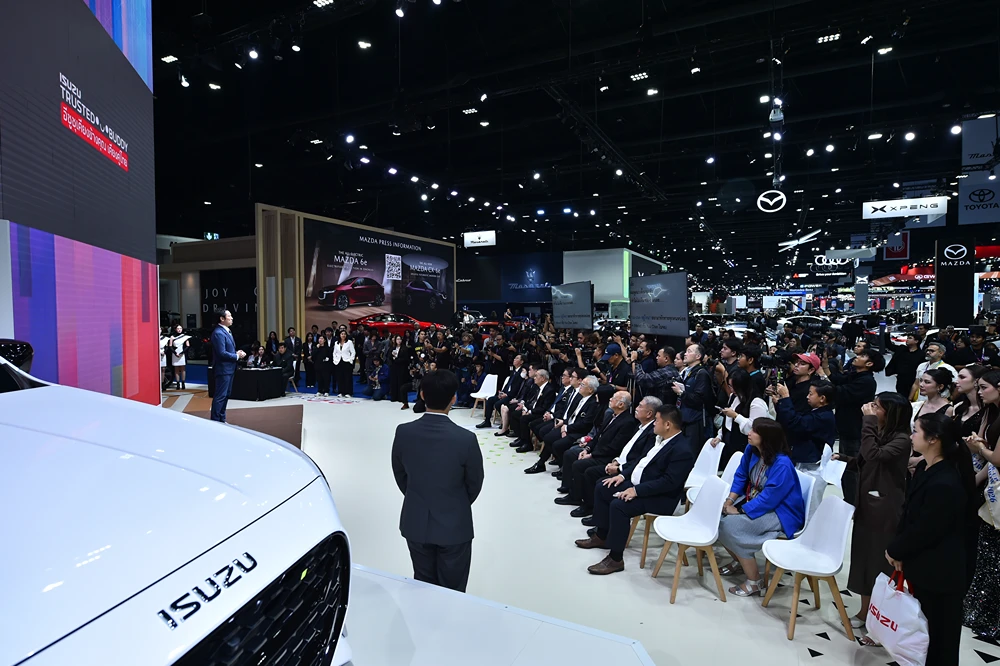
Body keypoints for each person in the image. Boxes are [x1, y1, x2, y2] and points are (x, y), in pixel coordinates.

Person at [887, 414, 974, 665]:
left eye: (915, 431)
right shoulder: (926, 468)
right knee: (921, 636)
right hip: (924, 564)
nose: (911, 436)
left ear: (933, 439)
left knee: (939, 640)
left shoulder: (946, 481)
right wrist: (899, 550)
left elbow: (926, 528)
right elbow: (910, 515)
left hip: (940, 573)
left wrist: (896, 550)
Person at [391, 370, 485, 593]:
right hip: (454, 524)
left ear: (422, 395)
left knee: (423, 583)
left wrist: (419, 495)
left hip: (415, 519)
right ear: (453, 398)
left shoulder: (404, 432)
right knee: (453, 589)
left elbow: (400, 474)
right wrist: (455, 503)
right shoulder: (466, 439)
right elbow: (474, 482)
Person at [575, 404, 694, 575]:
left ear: (667, 424)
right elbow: (641, 462)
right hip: (641, 484)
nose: (654, 423)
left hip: (661, 498)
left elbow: (668, 483)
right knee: (603, 486)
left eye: (657, 420)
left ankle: (616, 559)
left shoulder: (682, 450)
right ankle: (602, 536)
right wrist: (622, 476)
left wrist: (636, 491)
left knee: (619, 506)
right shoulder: (660, 439)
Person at [832, 392, 913, 641]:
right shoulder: (881, 432)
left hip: (885, 510)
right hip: (867, 506)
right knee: (864, 560)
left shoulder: (902, 440)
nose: (869, 408)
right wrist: (844, 459)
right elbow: (865, 459)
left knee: (879, 564)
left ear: (890, 413)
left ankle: (881, 621)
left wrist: (867, 422)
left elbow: (875, 455)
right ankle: (865, 610)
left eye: (876, 407)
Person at [716, 418, 805, 597]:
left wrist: (740, 510)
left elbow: (771, 497)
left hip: (781, 511)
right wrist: (730, 500)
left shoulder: (782, 464)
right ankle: (740, 560)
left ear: (767, 438)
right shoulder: (752, 450)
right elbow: (741, 475)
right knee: (717, 518)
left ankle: (754, 582)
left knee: (732, 527)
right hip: (755, 499)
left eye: (755, 431)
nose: (749, 433)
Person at [576, 396, 662, 519]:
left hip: (629, 470)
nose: (636, 408)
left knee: (598, 480)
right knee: (589, 471)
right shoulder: (640, 426)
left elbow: (640, 458)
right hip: (619, 462)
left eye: (640, 406)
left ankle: (598, 517)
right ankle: (592, 509)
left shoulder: (651, 433)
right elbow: (626, 449)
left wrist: (620, 469)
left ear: (649, 413)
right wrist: (616, 461)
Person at [818, 347, 881, 505]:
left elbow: (840, 392)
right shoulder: (855, 375)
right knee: (845, 466)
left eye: (862, 355)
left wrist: (822, 376)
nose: (857, 356)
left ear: (869, 364)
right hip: (846, 427)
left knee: (853, 468)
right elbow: (838, 379)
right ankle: (849, 499)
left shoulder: (867, 381)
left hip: (855, 429)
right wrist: (825, 365)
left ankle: (854, 503)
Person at [964, 369, 1000, 637]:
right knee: (986, 554)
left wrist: (980, 449)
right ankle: (979, 611)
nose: (980, 392)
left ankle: (988, 616)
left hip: (996, 490)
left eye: (984, 387)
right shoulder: (992, 412)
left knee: (993, 556)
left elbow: (996, 458)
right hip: (989, 485)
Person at [554, 391, 637, 502]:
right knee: (571, 454)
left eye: (613, 398)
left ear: (621, 404)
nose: (610, 399)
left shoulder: (628, 422)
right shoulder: (611, 415)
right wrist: (587, 449)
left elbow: (615, 447)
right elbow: (598, 436)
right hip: (598, 450)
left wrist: (592, 455)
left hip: (607, 456)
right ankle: (569, 487)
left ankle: (577, 497)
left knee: (579, 465)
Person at [529, 374, 601, 470]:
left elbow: (585, 424)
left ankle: (563, 466)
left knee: (557, 445)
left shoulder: (593, 403)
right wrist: (564, 423)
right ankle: (542, 463)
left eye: (583, 385)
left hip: (579, 431)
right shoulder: (581, 398)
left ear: (590, 390)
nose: (580, 386)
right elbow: (572, 416)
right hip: (570, 426)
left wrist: (566, 428)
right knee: (548, 437)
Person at [712, 367, 771, 470]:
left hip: (745, 445)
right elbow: (727, 422)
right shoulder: (734, 397)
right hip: (729, 441)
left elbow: (755, 429)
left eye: (734, 386)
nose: (731, 389)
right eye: (730, 386)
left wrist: (736, 416)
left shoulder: (757, 403)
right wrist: (720, 435)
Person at [774, 381, 836, 468]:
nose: (807, 397)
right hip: (805, 458)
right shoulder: (817, 411)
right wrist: (780, 403)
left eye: (811, 394)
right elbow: (793, 419)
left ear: (822, 398)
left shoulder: (823, 417)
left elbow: (795, 423)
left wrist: (786, 397)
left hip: (811, 465)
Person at [673, 343, 715, 447]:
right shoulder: (686, 372)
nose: (685, 354)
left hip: (695, 421)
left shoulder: (701, 373)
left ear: (698, 356)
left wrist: (681, 392)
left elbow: (699, 400)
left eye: (689, 351)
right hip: (683, 418)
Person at [210, 309, 245, 422]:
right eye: (229, 316)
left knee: (226, 395)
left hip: (229, 369)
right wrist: (236, 356)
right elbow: (221, 353)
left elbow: (227, 350)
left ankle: (221, 418)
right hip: (223, 369)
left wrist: (236, 353)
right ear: (222, 318)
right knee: (220, 396)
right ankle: (216, 420)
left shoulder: (226, 331)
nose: (232, 318)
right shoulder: (218, 333)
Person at [477, 354, 526, 429]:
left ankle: (505, 421)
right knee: (490, 400)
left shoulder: (522, 372)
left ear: (521, 361)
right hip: (506, 393)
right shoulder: (513, 371)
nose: (514, 359)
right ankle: (487, 421)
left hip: (513, 396)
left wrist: (507, 394)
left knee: (498, 404)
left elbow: (517, 387)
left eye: (517, 358)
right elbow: (508, 384)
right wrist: (502, 392)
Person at [911, 367, 954, 432]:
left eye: (927, 382)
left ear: (940, 386)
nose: (921, 385)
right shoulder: (916, 405)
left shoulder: (948, 410)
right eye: (921, 380)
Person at [885, 333, 925, 398]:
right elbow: (889, 346)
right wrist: (887, 334)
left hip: (912, 379)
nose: (907, 340)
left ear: (916, 341)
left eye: (910, 338)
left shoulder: (921, 354)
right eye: (907, 338)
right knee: (900, 394)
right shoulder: (902, 349)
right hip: (901, 378)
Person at [388, 334, 413, 409]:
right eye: (397, 339)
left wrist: (397, 360)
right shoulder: (392, 348)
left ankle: (400, 397)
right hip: (394, 367)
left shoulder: (405, 349)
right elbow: (389, 357)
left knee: (401, 382)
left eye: (400, 339)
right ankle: (394, 396)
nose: (399, 341)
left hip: (402, 368)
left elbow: (406, 359)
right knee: (394, 382)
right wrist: (392, 359)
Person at [332, 329, 356, 398]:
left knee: (347, 378)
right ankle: (341, 392)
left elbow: (353, 352)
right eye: (342, 334)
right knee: (340, 377)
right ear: (339, 335)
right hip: (338, 362)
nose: (343, 335)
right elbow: (334, 352)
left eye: (344, 334)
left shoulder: (349, 342)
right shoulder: (336, 343)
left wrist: (351, 360)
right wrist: (335, 360)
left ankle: (348, 392)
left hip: (347, 361)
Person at [169, 324, 190, 389]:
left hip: (182, 354)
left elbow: (188, 346)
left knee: (183, 369)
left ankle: (183, 383)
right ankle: (178, 383)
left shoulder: (185, 337)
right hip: (175, 353)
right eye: (178, 328)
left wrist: (182, 353)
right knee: (176, 369)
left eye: (180, 328)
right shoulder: (172, 337)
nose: (179, 330)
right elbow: (170, 346)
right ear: (175, 329)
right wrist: (175, 353)